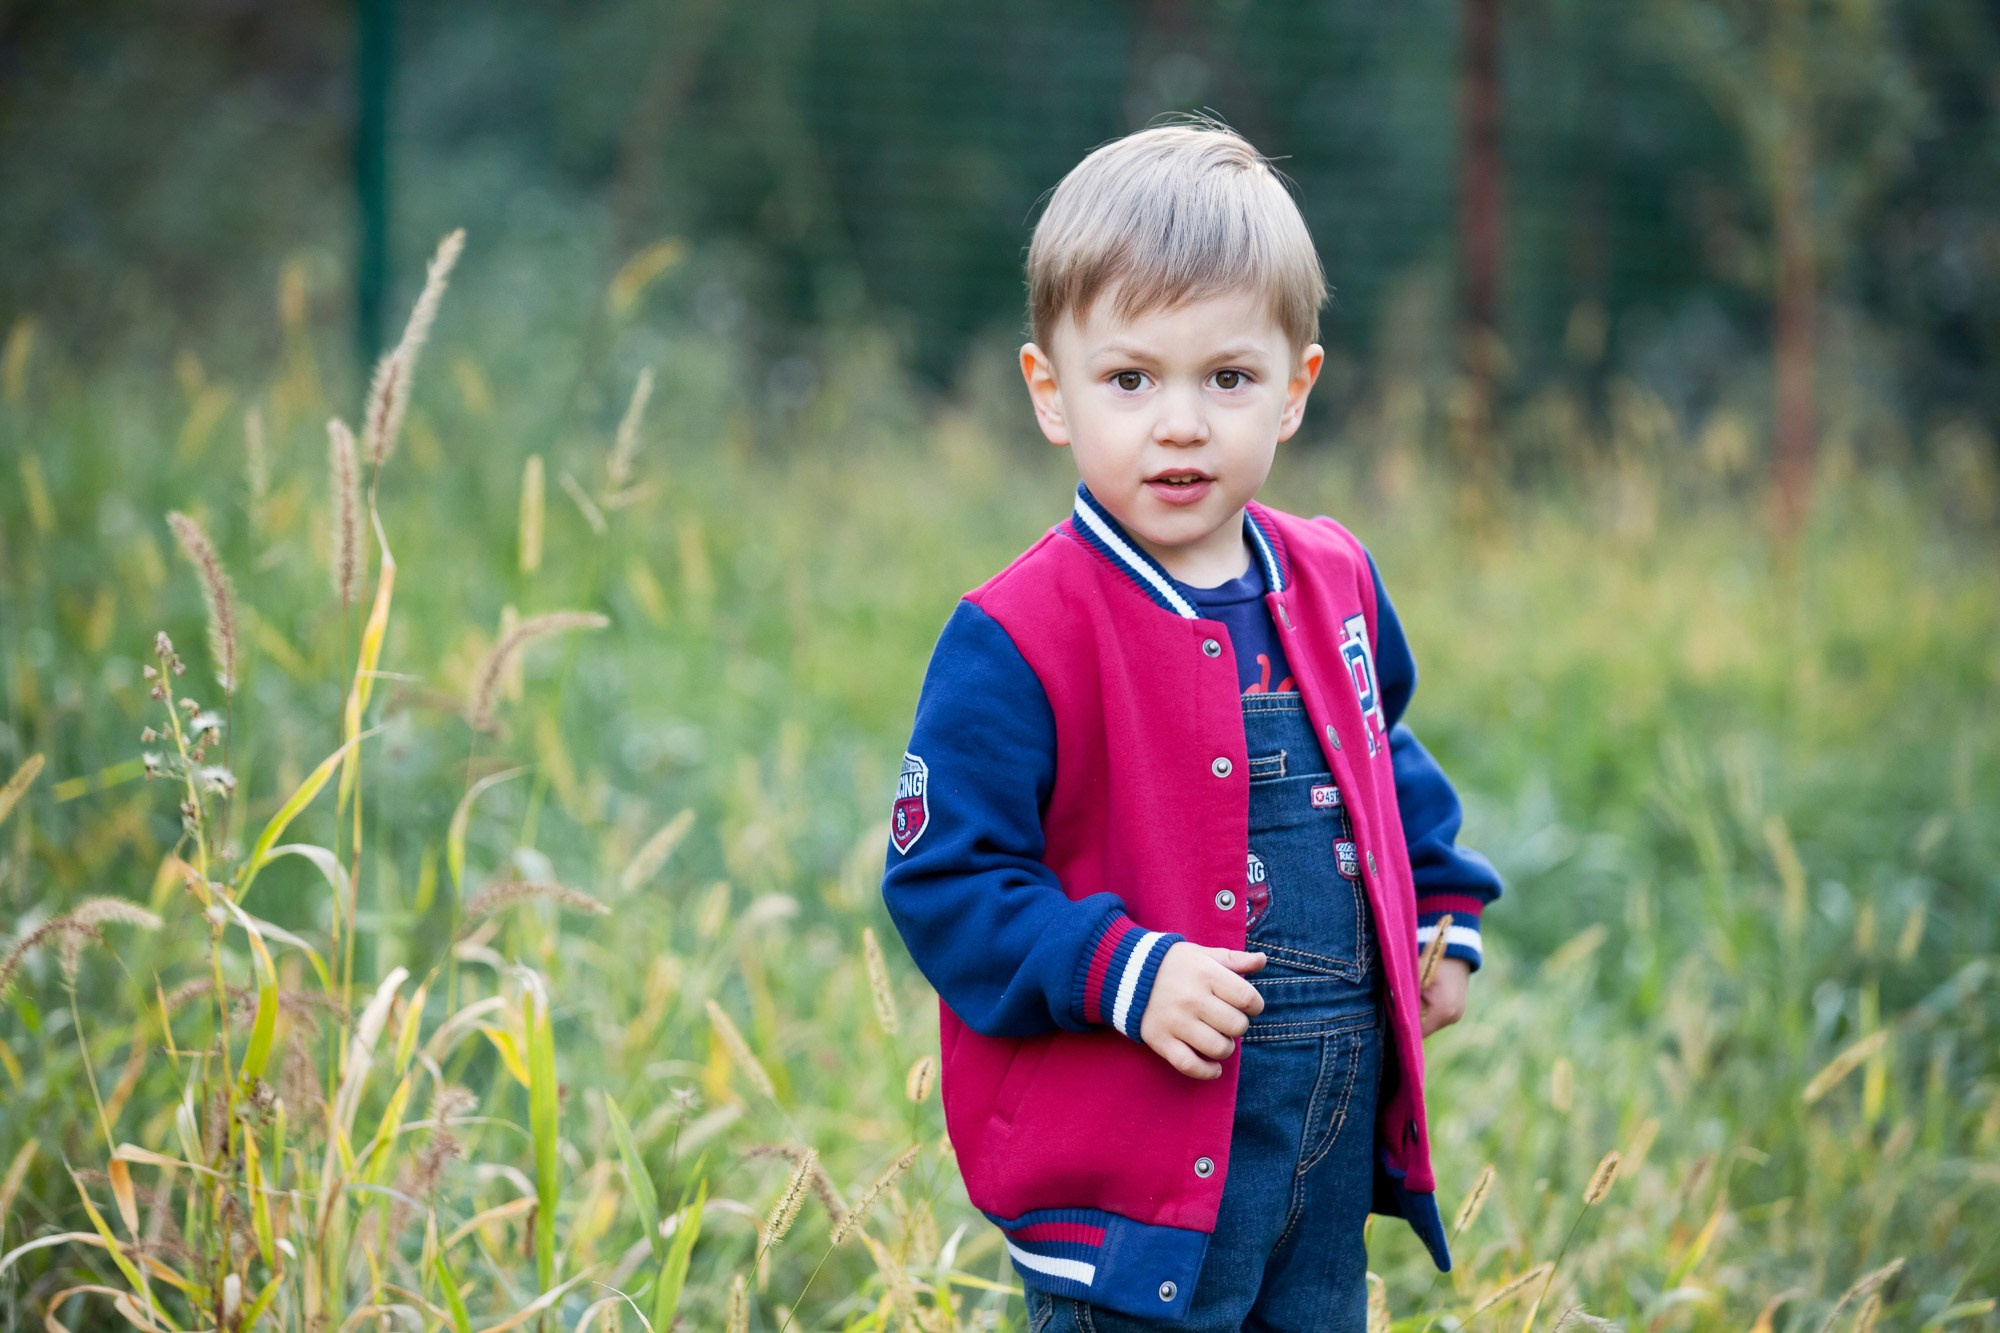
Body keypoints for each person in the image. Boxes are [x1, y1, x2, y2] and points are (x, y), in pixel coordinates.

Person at [879, 116, 1504, 1331]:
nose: (1180, 423)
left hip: (1320, 1154)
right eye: (1129, 380)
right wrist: (1123, 970)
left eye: (1227, 378)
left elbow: (1380, 753)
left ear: (1294, 390)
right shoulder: (1019, 633)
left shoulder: (1333, 580)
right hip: (1133, 1184)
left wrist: (1442, 907)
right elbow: (944, 878)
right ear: (1050, 392)